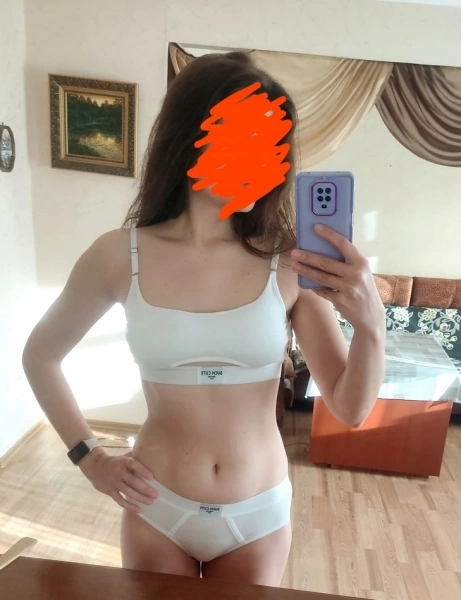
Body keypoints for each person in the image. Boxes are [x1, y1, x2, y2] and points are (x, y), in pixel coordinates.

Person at [22, 51, 386, 587]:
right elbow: (40, 356)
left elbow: (351, 409)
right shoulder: (119, 256)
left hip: (256, 514)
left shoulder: (290, 261)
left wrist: (372, 325)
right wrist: (90, 458)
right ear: (192, 135)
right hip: (157, 507)